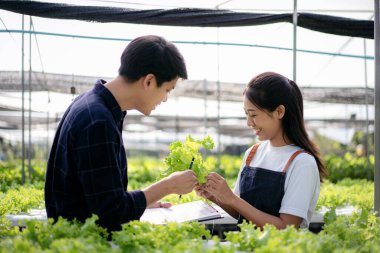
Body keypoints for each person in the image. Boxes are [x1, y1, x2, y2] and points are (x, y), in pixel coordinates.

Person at [45, 35, 197, 232]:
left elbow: (99, 197)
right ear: (149, 81)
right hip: (85, 243)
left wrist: (144, 201)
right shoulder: (98, 121)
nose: (165, 99)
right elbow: (110, 213)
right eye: (167, 89)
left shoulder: (92, 106)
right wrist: (167, 187)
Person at [195, 71, 327, 229]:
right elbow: (240, 211)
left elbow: (287, 228)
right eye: (246, 114)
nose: (249, 123)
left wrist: (232, 199)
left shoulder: (302, 162)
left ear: (279, 112)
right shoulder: (253, 153)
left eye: (253, 115)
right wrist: (215, 196)